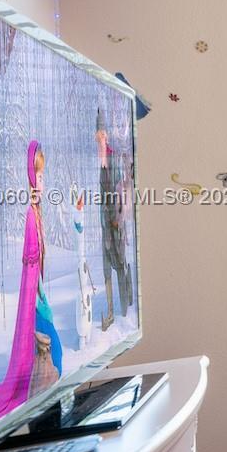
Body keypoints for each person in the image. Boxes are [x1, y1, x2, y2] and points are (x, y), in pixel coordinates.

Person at [0, 141, 63, 423]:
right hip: (34, 295)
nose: (42, 182)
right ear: (31, 177)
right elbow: (30, 262)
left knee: (53, 350)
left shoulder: (37, 212)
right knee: (53, 350)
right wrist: (37, 295)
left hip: (37, 294)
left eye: (43, 176)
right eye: (38, 176)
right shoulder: (31, 215)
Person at [97, 110, 132, 329]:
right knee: (106, 267)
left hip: (116, 226)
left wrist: (118, 219)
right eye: (97, 135)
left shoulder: (114, 159)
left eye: (102, 134)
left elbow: (123, 192)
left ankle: (125, 310)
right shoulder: (101, 161)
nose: (99, 138)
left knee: (120, 265)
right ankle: (111, 312)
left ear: (107, 136)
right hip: (105, 227)